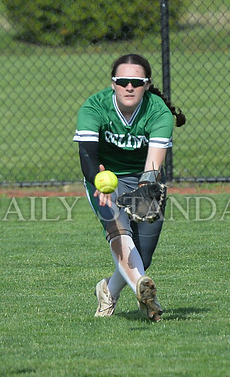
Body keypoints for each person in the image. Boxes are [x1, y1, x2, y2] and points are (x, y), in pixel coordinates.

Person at [73, 53, 186, 321]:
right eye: (122, 81)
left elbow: (153, 164)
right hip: (104, 179)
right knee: (121, 234)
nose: (129, 87)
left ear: (147, 85)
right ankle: (147, 297)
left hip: (145, 179)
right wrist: (98, 181)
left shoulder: (158, 111)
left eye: (137, 82)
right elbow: (87, 155)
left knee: (142, 256)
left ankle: (108, 292)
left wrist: (146, 187)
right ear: (113, 83)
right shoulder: (95, 107)